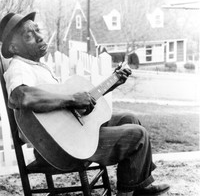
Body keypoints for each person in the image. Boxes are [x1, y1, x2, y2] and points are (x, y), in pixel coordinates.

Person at [0, 12, 170, 196]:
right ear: (14, 47)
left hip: (72, 137)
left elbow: (70, 109)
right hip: (60, 149)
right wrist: (72, 99)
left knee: (130, 118)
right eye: (29, 35)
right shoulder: (18, 68)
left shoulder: (38, 67)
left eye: (37, 30)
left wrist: (111, 83)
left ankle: (139, 187)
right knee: (137, 135)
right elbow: (19, 96)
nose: (40, 36)